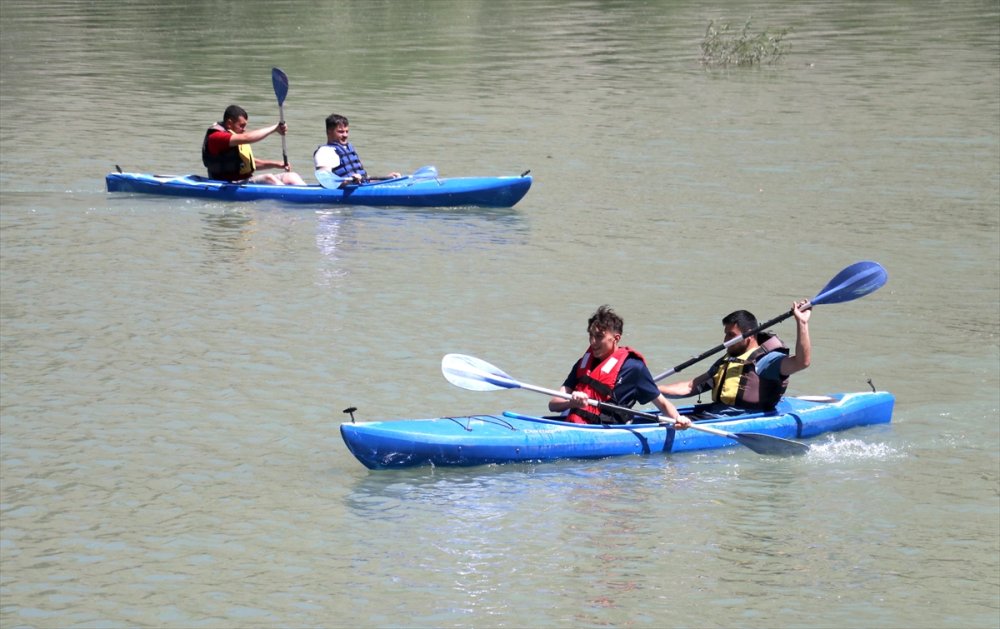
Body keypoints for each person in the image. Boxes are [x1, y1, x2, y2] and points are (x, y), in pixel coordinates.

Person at [548, 305, 692, 429]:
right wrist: (570, 402)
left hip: (607, 431)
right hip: (575, 425)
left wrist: (678, 419)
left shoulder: (634, 368)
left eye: (599, 337)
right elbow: (553, 405)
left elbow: (662, 404)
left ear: (616, 338)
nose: (593, 342)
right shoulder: (583, 364)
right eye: (591, 335)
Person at [658, 300, 812, 415]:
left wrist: (802, 323)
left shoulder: (767, 361)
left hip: (743, 419)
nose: (725, 340)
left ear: (750, 335)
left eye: (731, 335)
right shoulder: (728, 360)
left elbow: (802, 362)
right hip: (715, 414)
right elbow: (691, 387)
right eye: (725, 334)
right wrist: (651, 389)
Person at [202, 104, 306, 185]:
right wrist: (275, 128)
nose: (244, 129)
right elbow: (247, 138)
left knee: (292, 176)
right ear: (229, 123)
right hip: (229, 184)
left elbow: (249, 164)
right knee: (268, 178)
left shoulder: (233, 137)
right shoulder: (216, 137)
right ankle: (290, 200)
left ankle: (309, 195)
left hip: (245, 181)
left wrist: (276, 164)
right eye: (241, 126)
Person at [314, 113, 401, 187]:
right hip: (340, 197)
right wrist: (348, 181)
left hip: (359, 188)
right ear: (329, 132)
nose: (345, 135)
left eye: (346, 131)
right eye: (340, 132)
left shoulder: (347, 148)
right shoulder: (324, 152)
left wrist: (386, 179)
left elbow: (364, 180)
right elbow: (326, 181)